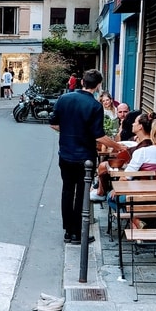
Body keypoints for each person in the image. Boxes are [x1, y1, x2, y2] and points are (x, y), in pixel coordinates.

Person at [49, 69, 124, 245]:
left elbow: (53, 123)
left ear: (82, 82)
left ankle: (68, 231)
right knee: (82, 193)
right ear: (98, 86)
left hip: (65, 154)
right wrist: (117, 146)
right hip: (85, 158)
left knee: (67, 191)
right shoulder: (94, 106)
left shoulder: (64, 99)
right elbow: (98, 136)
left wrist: (68, 130)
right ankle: (77, 233)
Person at [90, 111, 156, 202]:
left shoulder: (141, 149)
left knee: (110, 197)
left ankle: (102, 193)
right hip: (151, 186)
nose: (133, 124)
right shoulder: (153, 146)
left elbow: (127, 173)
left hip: (136, 188)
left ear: (140, 127)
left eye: (135, 122)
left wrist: (117, 188)